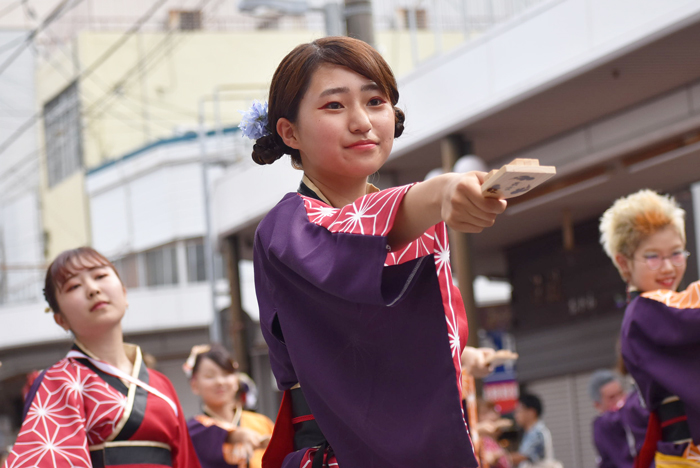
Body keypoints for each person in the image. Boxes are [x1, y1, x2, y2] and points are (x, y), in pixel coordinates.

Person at [246, 36, 507, 468]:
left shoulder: (404, 224)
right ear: (289, 132)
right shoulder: (285, 227)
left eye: (375, 101)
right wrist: (438, 193)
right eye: (334, 105)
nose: (362, 121)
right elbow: (347, 232)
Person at [4, 247, 201, 468]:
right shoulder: (57, 382)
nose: (93, 289)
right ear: (61, 319)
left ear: (124, 293)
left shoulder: (161, 384)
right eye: (74, 286)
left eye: (100, 276)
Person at [600, 189, 700, 467]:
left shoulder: (660, 308)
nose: (668, 267)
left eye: (677, 253)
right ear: (624, 262)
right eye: (653, 256)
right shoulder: (646, 310)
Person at [185, 344, 273, 468]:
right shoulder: (193, 431)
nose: (220, 382)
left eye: (226, 374)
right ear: (194, 385)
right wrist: (234, 435)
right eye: (209, 376)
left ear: (236, 380)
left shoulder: (262, 423)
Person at [588, 369, 648, 468]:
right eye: (612, 397)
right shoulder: (603, 426)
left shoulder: (633, 412)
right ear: (597, 405)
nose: (620, 400)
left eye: (621, 393)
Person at [511, 394, 554, 468]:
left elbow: (523, 456)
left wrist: (498, 457)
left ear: (531, 412)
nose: (516, 415)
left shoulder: (537, 432)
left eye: (518, 411)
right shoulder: (530, 431)